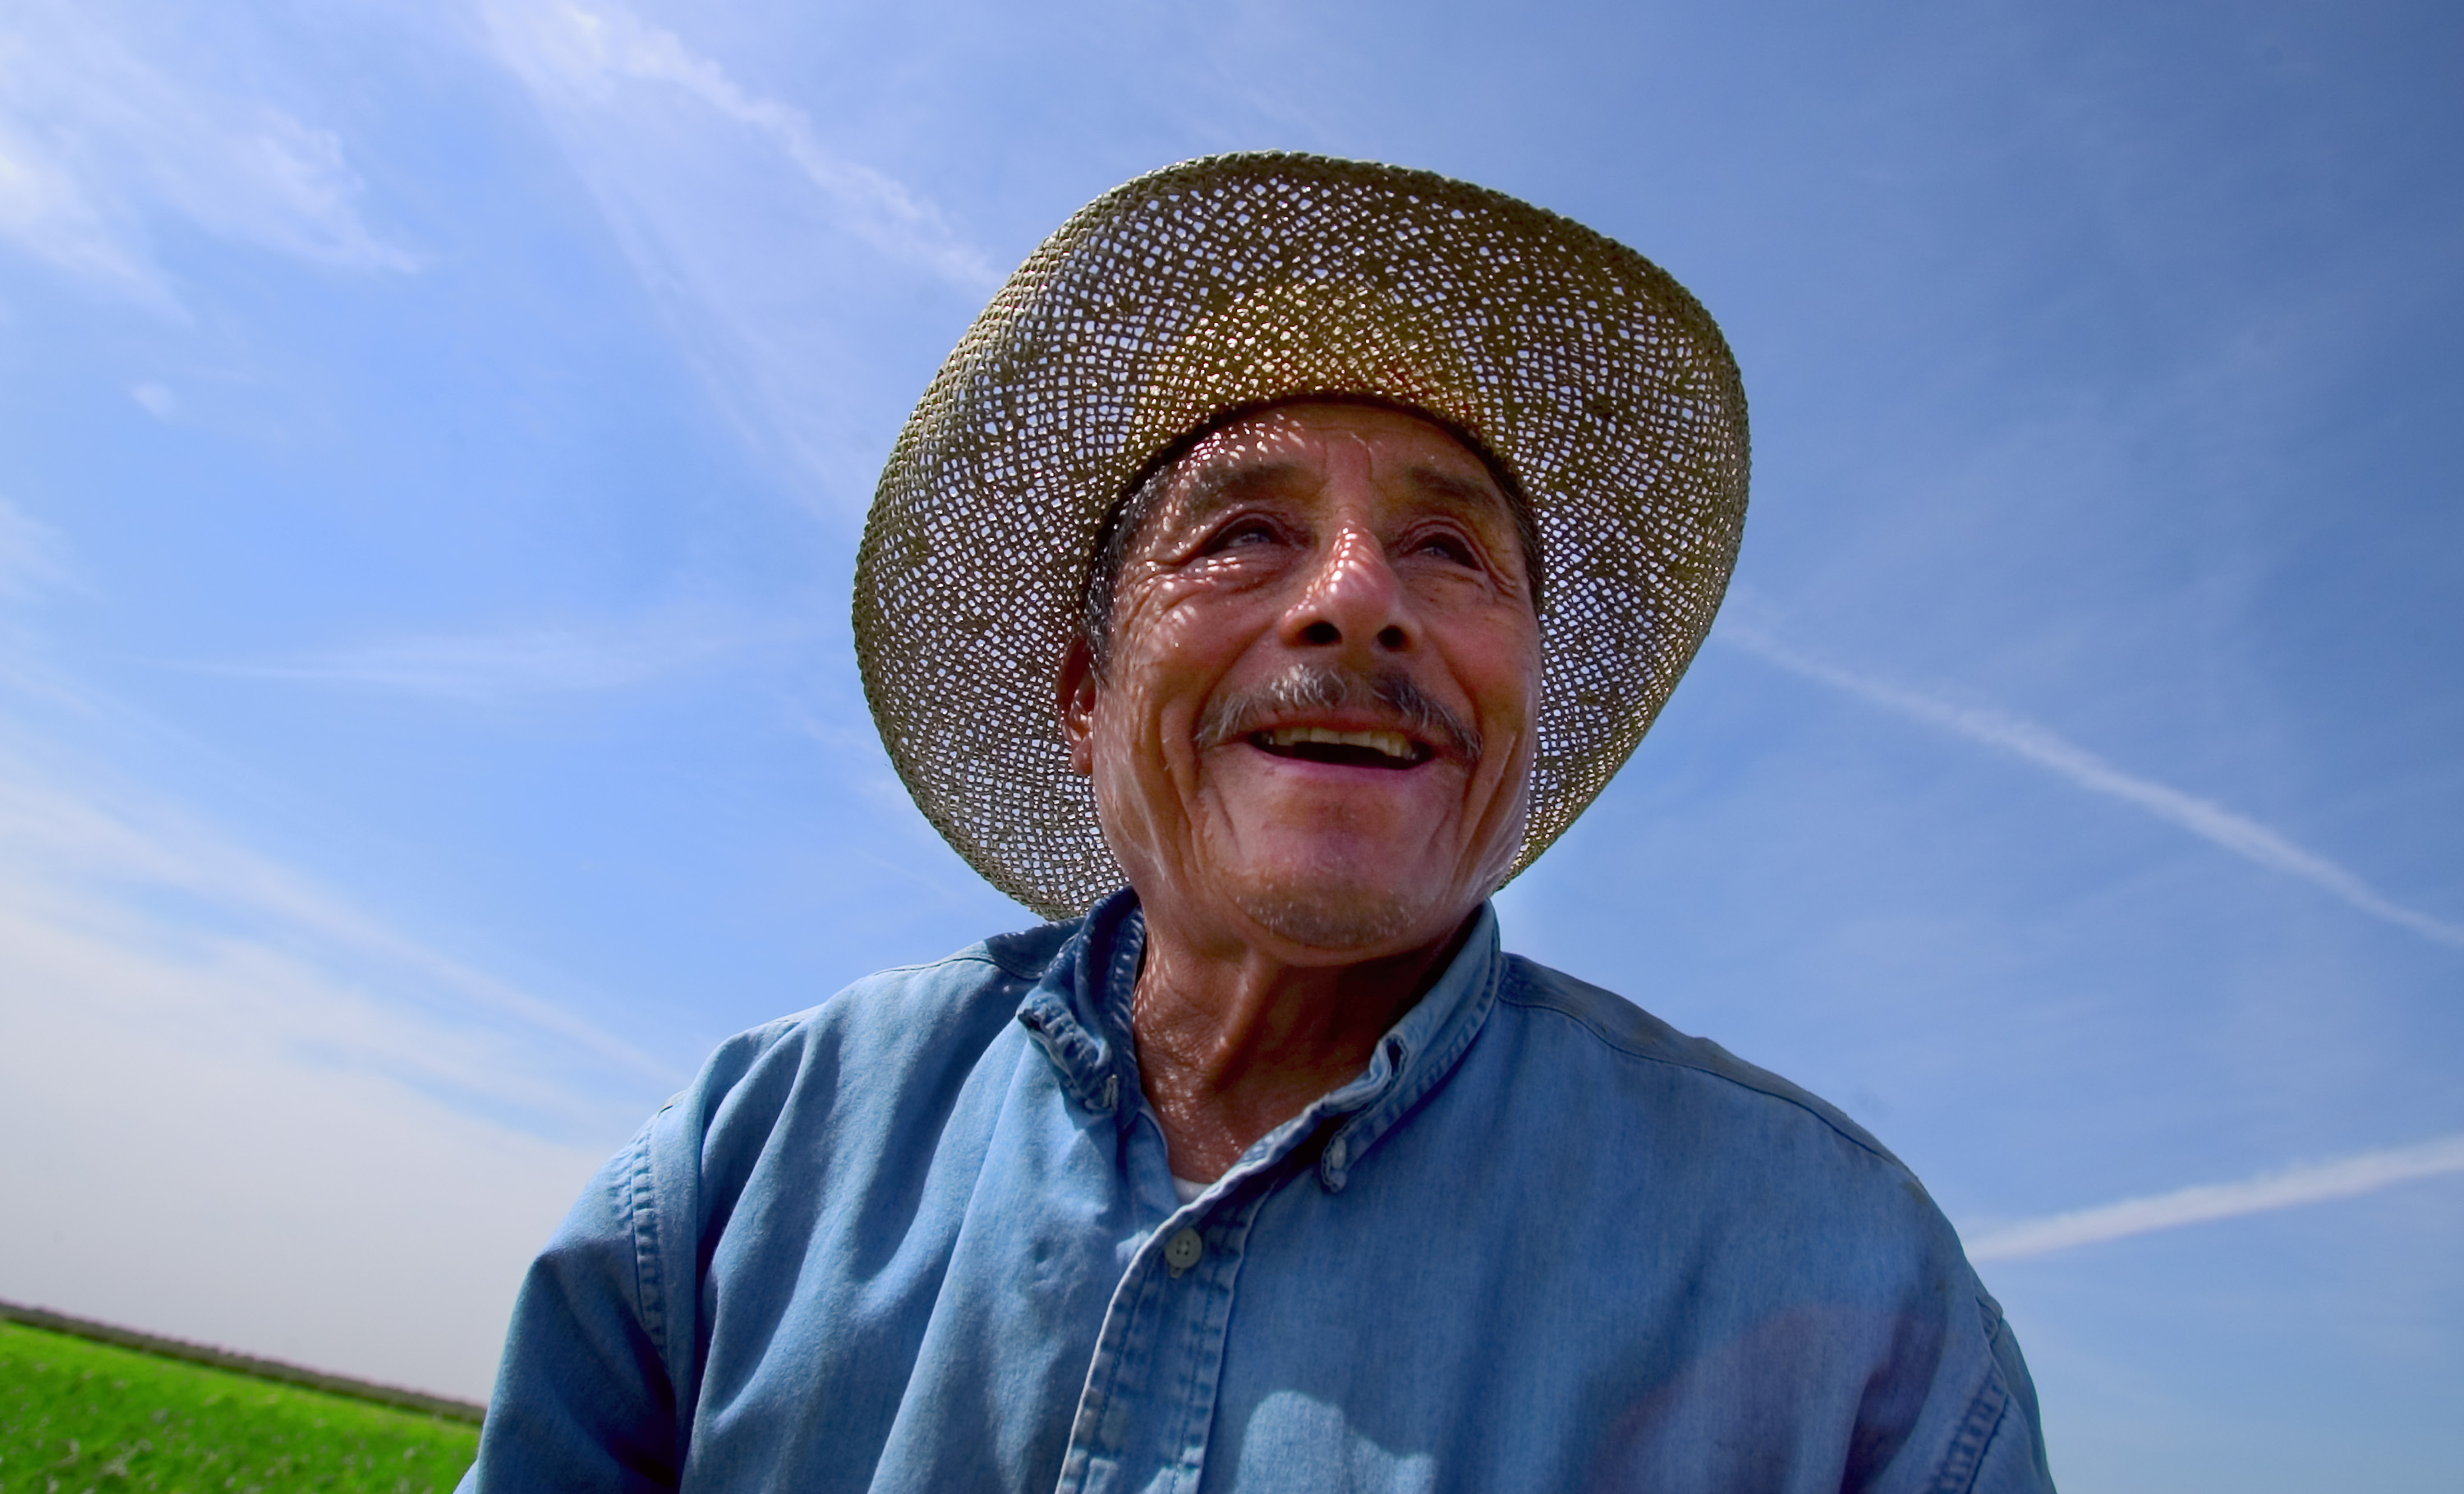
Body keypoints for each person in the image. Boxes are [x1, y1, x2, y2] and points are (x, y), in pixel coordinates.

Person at [462, 154, 2055, 1492]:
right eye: (1242, 534)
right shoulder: (747, 1170)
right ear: (1087, 694)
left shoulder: (1849, 1298)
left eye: (1450, 549)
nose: (1358, 600)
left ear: (1524, 695)